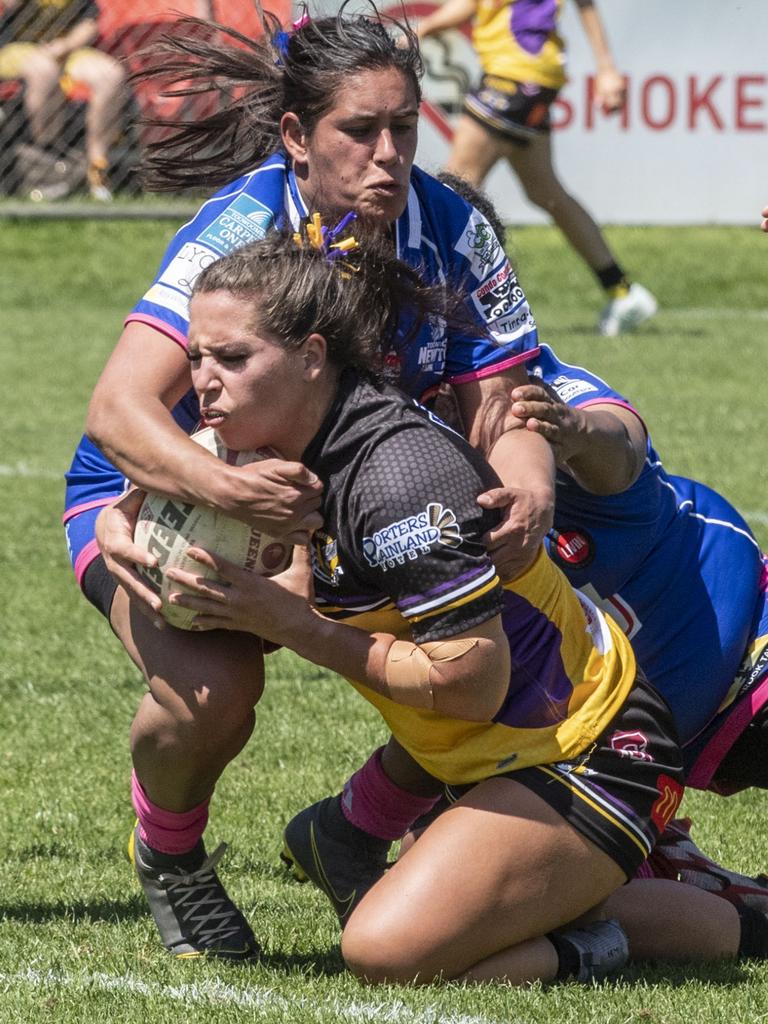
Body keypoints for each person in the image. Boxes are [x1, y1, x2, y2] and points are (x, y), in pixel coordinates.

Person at [64, 5, 555, 961]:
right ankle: (174, 860)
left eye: (403, 126)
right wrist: (233, 492)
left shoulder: (452, 224)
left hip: (343, 507)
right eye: (358, 131)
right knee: (213, 693)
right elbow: (118, 413)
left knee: (516, 618)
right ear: (296, 135)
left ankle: (364, 826)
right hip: (163, 499)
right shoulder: (241, 229)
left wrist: (527, 489)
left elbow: (508, 398)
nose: (388, 154)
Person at [163, 225, 768, 985]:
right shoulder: (275, 442)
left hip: (592, 752)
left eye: (232, 358)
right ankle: (708, 917)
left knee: (386, 951)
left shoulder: (394, 482)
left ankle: (611, 938)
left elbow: (472, 681)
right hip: (500, 757)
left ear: (313, 357)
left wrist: (287, 621)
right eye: (195, 358)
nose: (203, 383)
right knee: (434, 908)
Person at [414, 0, 657, 336]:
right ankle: (622, 290)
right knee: (546, 192)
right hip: (528, 77)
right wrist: (422, 30)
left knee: (452, 190)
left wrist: (607, 68)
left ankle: (458, 308)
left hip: (514, 76)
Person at [0, 0, 126, 199]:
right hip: (14, 47)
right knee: (44, 70)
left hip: (65, 48)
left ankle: (97, 167)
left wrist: (65, 46)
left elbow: (89, 21)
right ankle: (47, 163)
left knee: (110, 75)